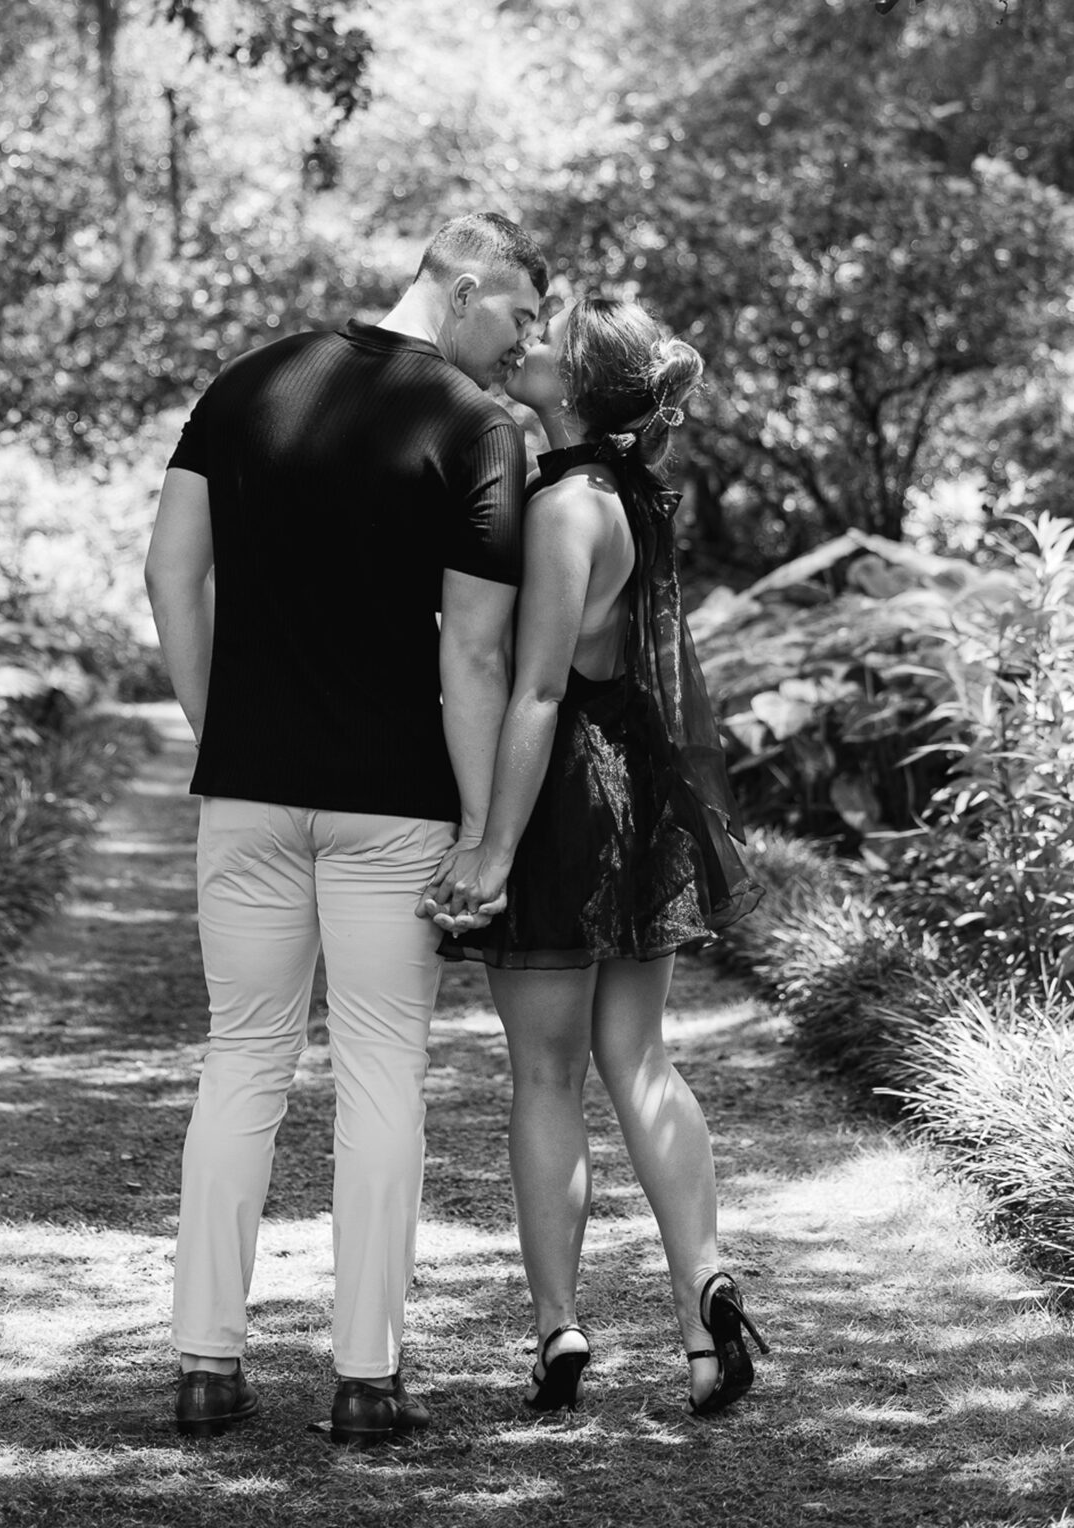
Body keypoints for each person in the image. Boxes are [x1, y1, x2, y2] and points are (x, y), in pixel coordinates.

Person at [143, 211, 548, 1443]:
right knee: (382, 1073)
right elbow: (475, 649)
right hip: (394, 803)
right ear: (463, 285)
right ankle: (367, 1380)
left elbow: (170, 572)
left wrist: (225, 728)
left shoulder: (247, 383)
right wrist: (486, 830)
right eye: (521, 314)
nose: (525, 343)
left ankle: (206, 1366)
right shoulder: (477, 431)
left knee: (242, 1060)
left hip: (251, 792)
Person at [426, 290, 767, 1420]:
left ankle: (558, 1327)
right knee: (642, 1057)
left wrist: (489, 849)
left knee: (543, 1073)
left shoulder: (564, 506)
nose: (529, 345)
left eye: (551, 338)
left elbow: (534, 686)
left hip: (564, 794)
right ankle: (703, 1296)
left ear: (575, 389)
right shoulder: (625, 494)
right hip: (639, 788)